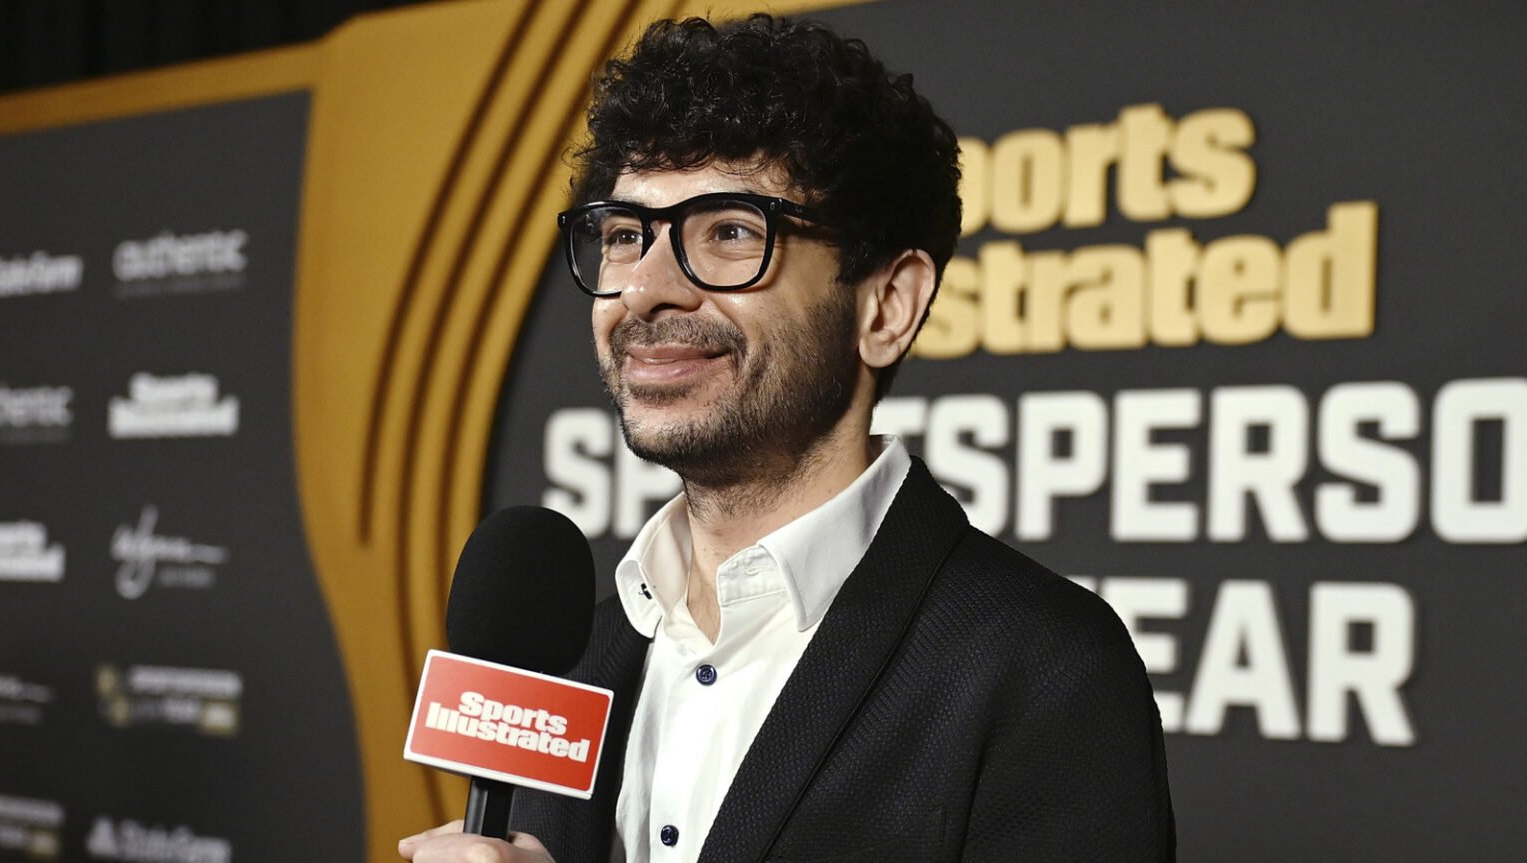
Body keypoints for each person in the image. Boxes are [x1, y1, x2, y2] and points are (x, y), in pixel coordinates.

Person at [400, 14, 1173, 863]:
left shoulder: (1044, 668)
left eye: (730, 231)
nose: (645, 290)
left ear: (888, 306)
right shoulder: (580, 656)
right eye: (625, 235)